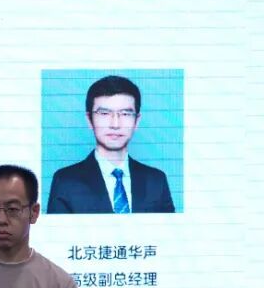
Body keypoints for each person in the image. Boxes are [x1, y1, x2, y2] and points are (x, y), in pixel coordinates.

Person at [46, 75, 174, 214]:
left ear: (137, 121)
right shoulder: (65, 182)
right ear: (89, 120)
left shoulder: (156, 181)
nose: (115, 124)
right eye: (104, 113)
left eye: (125, 114)